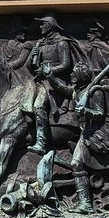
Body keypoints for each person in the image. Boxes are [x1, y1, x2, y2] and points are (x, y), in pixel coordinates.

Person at [44, 61, 109, 214]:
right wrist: (50, 76)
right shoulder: (78, 90)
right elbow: (61, 88)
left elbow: (100, 114)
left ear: (81, 75)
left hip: (100, 132)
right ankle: (86, 205)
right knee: (77, 164)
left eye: (74, 73)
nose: (71, 75)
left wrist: (86, 111)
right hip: (86, 133)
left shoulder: (95, 91)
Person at [26, 14, 86, 154]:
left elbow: (65, 64)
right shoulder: (41, 44)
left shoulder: (61, 43)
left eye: (43, 24)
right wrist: (31, 57)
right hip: (40, 81)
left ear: (51, 25)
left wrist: (48, 71)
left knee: (38, 105)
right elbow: (30, 68)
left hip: (55, 81)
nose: (40, 27)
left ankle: (40, 143)